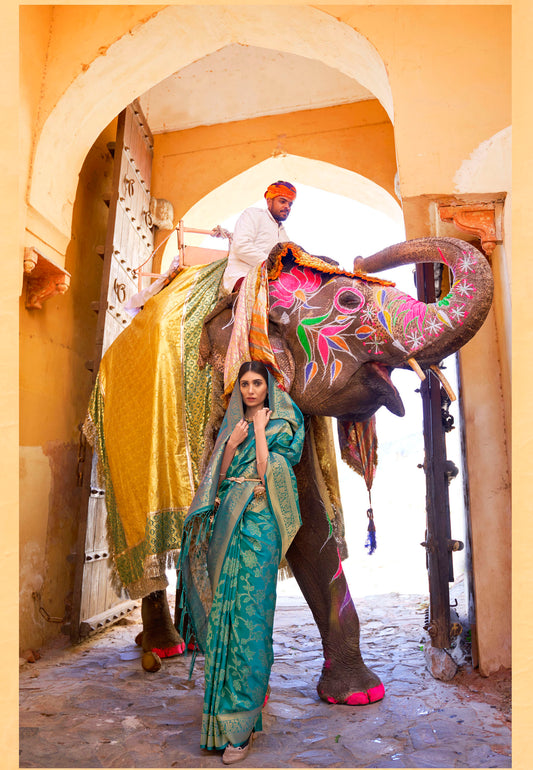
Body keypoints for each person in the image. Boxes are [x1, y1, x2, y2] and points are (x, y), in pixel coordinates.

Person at [178, 361, 304, 764]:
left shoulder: (282, 423)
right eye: (245, 384)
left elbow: (270, 473)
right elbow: (218, 476)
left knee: (250, 620)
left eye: (257, 384)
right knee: (223, 619)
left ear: (268, 387)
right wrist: (232, 443)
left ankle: (240, 727)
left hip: (261, 524)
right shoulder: (235, 424)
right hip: (229, 523)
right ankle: (220, 718)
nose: (251, 390)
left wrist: (261, 435)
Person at [222, 181, 297, 292]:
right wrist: (272, 264)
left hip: (271, 281)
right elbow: (241, 246)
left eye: (290, 204)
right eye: (282, 201)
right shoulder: (253, 214)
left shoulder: (284, 234)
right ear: (269, 201)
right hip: (243, 274)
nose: (287, 207)